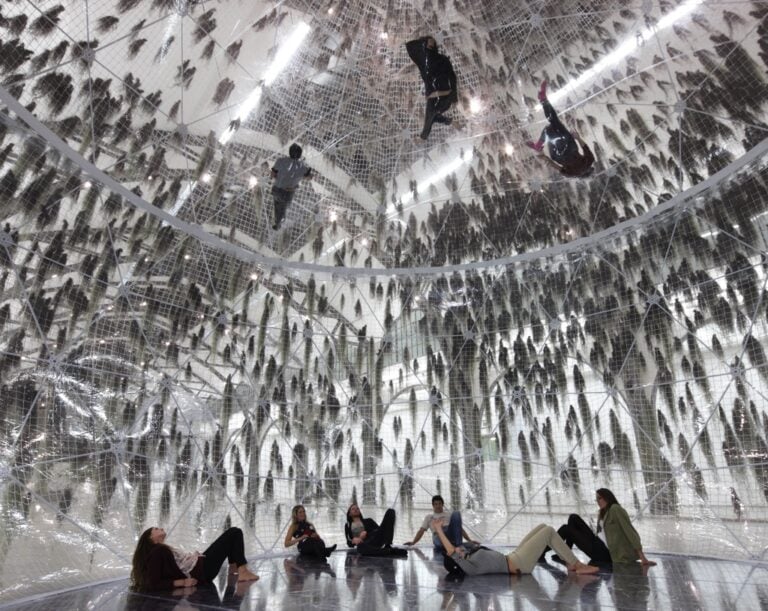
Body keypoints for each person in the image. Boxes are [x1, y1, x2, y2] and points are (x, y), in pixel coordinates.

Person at [435, 520, 599, 577]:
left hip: (513, 556)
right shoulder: (468, 567)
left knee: (543, 527)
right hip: (519, 564)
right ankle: (577, 565)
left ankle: (568, 561)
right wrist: (438, 529)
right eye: (454, 553)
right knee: (548, 532)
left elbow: (455, 548)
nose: (457, 549)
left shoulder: (468, 558)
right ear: (456, 562)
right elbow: (450, 551)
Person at [130, 526, 259, 591]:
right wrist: (181, 582)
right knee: (234, 532)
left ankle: (235, 567)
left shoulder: (160, 550)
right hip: (201, 570)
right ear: (150, 538)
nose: (161, 528)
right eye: (156, 529)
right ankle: (242, 571)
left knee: (232, 535)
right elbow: (153, 582)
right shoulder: (158, 551)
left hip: (200, 565)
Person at [554, 488, 656, 566]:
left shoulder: (615, 509)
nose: (598, 501)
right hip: (596, 542)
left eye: (600, 498)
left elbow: (630, 531)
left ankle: (555, 553)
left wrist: (642, 557)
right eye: (596, 499)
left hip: (604, 553)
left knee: (566, 529)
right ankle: (566, 552)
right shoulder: (603, 512)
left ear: (607, 497)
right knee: (573, 517)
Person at [525, 80, 595, 177]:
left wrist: (577, 137)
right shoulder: (572, 174)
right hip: (558, 156)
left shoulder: (589, 162)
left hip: (570, 147)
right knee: (549, 127)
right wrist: (545, 158)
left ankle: (543, 99)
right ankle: (543, 99)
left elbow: (585, 147)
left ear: (590, 170)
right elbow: (555, 166)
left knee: (554, 122)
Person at [405, 36, 458, 140]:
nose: (430, 46)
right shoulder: (423, 62)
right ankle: (448, 121)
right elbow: (409, 46)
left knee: (430, 117)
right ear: (424, 46)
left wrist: (454, 96)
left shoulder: (443, 59)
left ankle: (423, 137)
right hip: (433, 97)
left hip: (444, 96)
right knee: (431, 116)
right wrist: (424, 41)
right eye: (428, 45)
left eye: (432, 44)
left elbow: (452, 77)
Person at [404, 494, 476, 552]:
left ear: (442, 504)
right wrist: (413, 542)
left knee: (456, 513)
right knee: (439, 543)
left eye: (439, 504)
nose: (438, 506)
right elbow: (421, 531)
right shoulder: (429, 517)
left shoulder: (449, 515)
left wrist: (469, 540)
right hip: (438, 536)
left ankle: (458, 545)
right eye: (436, 504)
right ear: (433, 505)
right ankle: (455, 546)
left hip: (450, 533)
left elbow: (459, 529)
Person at [270, 143, 312, 230]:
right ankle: (279, 223)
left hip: (276, 189)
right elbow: (309, 177)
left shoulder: (280, 161)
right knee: (283, 209)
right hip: (287, 192)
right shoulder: (303, 167)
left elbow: (273, 173)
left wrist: (279, 177)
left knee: (277, 206)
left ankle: (277, 221)